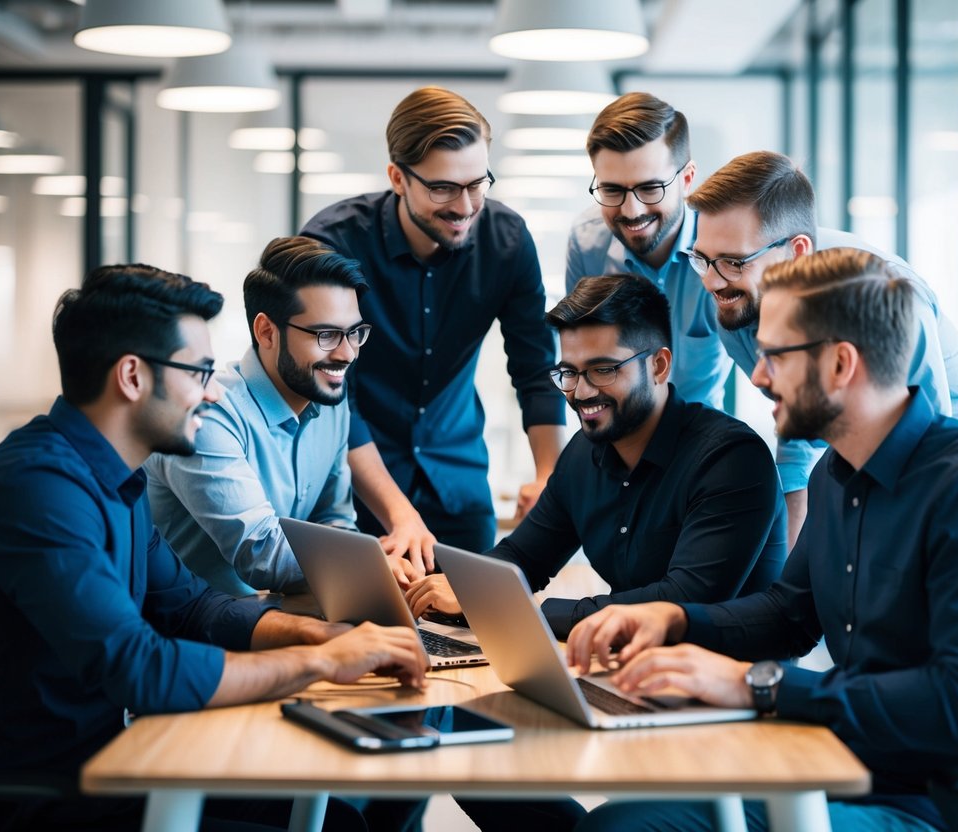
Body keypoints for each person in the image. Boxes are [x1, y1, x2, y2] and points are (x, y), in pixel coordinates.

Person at [566, 248, 958, 832]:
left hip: (954, 806)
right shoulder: (837, 472)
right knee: (625, 818)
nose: (756, 375)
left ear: (840, 364)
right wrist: (673, 620)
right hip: (851, 766)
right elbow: (789, 615)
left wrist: (753, 684)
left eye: (774, 355)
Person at [0, 264, 428, 832]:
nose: (214, 392)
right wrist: (318, 662)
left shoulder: (117, 479)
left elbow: (193, 607)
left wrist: (323, 634)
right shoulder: (38, 488)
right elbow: (139, 666)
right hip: (49, 793)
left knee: (335, 821)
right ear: (133, 377)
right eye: (199, 372)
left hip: (121, 758)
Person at [683, 150, 958, 549]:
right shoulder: (739, 307)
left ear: (796, 251)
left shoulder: (882, 293)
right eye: (703, 259)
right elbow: (800, 424)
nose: (711, 281)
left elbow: (932, 443)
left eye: (732, 261)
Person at [406, 274, 785, 638]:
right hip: (627, 668)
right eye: (569, 373)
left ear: (659, 365)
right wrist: (454, 586)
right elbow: (523, 556)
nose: (582, 392)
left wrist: (517, 609)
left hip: (728, 688)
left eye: (603, 370)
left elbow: (682, 600)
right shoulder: (584, 453)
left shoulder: (730, 459)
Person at [302, 86, 566, 554]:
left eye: (477, 183)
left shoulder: (506, 242)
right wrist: (400, 516)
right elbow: (335, 394)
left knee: (471, 624)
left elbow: (535, 368)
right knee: (364, 627)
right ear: (398, 178)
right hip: (357, 486)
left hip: (458, 482)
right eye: (442, 187)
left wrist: (549, 477)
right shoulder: (333, 244)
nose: (464, 207)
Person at [146, 236, 428, 596]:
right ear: (267, 332)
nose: (347, 354)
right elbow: (260, 553)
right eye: (326, 334)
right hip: (198, 636)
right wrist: (367, 567)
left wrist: (374, 582)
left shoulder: (331, 404)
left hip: (282, 618)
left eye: (355, 333)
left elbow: (335, 523)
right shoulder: (209, 415)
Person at [566, 92, 731, 409]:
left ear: (687, 179)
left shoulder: (727, 251)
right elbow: (581, 366)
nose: (631, 210)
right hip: (616, 439)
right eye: (612, 190)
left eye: (650, 188)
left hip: (703, 439)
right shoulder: (587, 245)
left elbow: (784, 374)